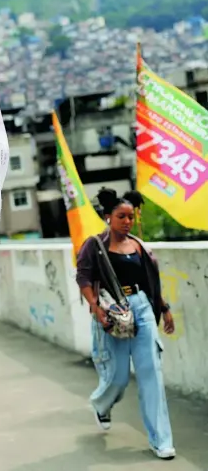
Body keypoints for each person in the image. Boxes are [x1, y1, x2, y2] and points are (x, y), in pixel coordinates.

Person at [76, 187, 176, 460]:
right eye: (121, 216)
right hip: (111, 313)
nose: (127, 221)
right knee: (118, 377)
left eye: (131, 216)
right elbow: (83, 278)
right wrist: (95, 307)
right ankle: (102, 404)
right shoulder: (94, 245)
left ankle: (161, 440)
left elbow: (149, 283)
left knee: (151, 374)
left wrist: (164, 308)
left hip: (142, 309)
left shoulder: (139, 246)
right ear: (108, 216)